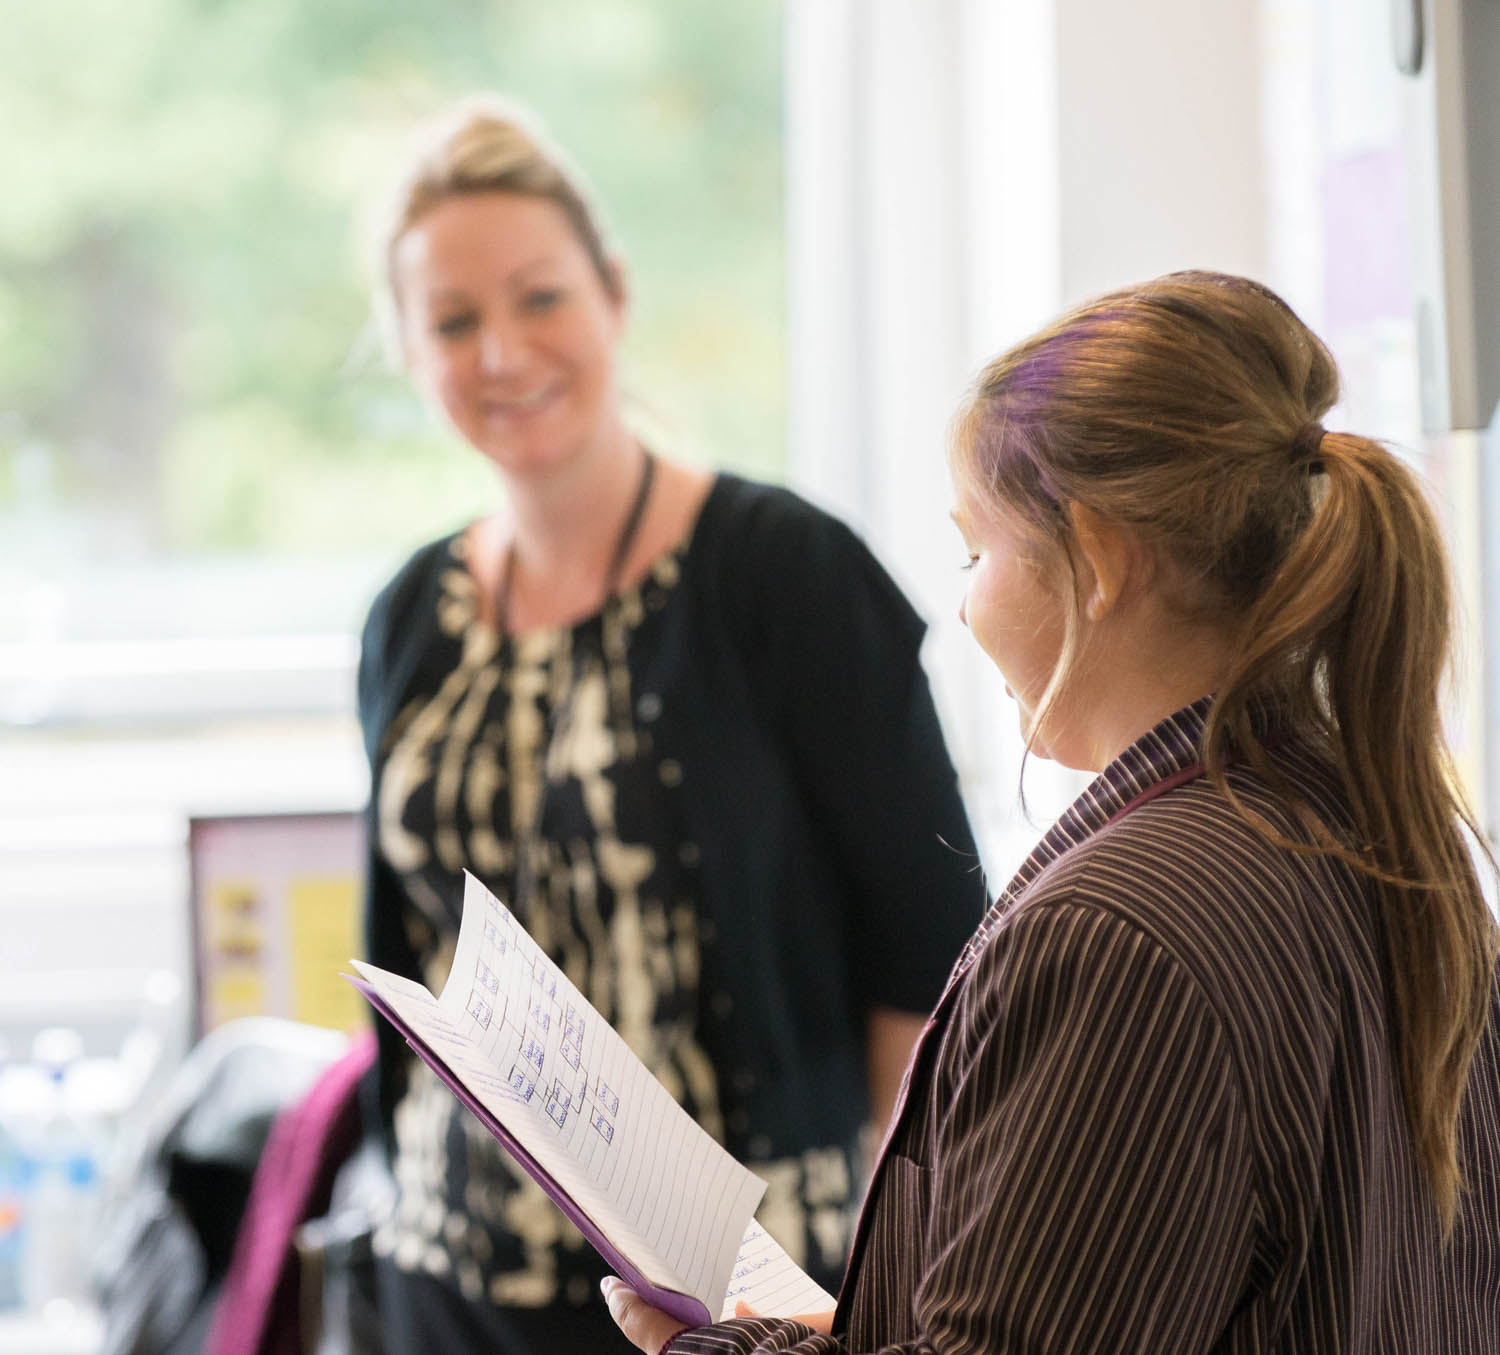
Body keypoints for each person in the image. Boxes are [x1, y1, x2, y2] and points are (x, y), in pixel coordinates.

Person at [605, 270, 1500, 1354]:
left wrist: (711, 1348)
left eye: (978, 549)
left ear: (1101, 557)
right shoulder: (1381, 834)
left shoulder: (1116, 929)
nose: (967, 593)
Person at [355, 94, 982, 1355]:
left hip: (736, 1298)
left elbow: (933, 954)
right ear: (409, 354)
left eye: (539, 297)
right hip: (449, 1268)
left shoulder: (786, 570)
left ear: (614, 293)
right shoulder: (409, 614)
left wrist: (887, 1269)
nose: (502, 352)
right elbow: (413, 954)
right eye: (454, 321)